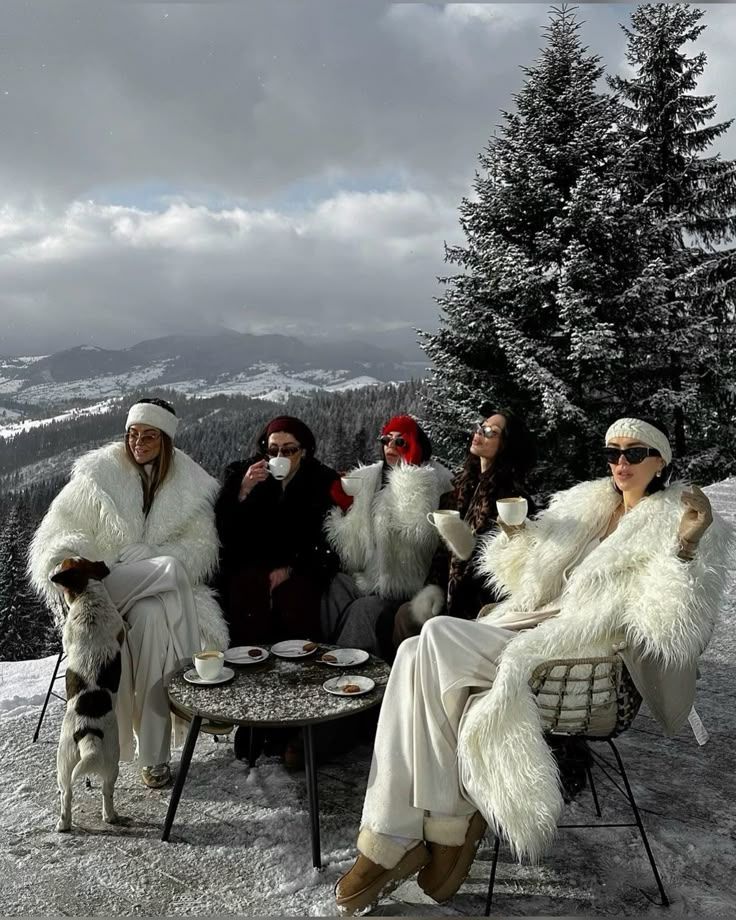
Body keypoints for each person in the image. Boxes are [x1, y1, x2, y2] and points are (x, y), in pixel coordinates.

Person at [334, 416, 733, 916]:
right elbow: (524, 577)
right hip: (532, 621)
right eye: (612, 453)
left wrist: (685, 549)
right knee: (413, 652)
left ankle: (400, 837)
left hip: (586, 647)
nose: (621, 463)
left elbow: (672, 625)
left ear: (661, 462)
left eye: (634, 453)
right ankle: (428, 831)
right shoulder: (587, 504)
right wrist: (515, 538)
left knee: (433, 635)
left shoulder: (680, 518)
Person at [29, 398, 228, 790]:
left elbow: (202, 548)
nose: (138, 442)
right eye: (133, 434)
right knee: (171, 570)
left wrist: (152, 554)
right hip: (102, 588)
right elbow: (59, 531)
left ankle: (153, 758)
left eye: (149, 435)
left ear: (165, 439)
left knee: (153, 616)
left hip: (151, 597)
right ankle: (196, 687)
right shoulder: (99, 474)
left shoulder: (190, 484)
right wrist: (77, 559)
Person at [391, 408, 537, 649]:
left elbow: (507, 566)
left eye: (491, 432)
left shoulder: (513, 500)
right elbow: (441, 555)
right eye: (481, 427)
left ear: (506, 445)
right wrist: (432, 591)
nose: (479, 433)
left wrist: (467, 548)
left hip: (480, 606)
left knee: (410, 622)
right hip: (447, 598)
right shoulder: (459, 490)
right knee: (405, 615)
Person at [321, 414, 454, 658]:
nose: (390, 447)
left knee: (364, 610)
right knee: (334, 587)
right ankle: (324, 652)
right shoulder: (370, 477)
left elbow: (420, 536)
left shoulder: (434, 479)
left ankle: (352, 666)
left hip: (407, 586)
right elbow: (355, 551)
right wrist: (347, 509)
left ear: (416, 445)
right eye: (386, 440)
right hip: (370, 579)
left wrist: (409, 476)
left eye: (400, 442)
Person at [214, 415, 339, 646]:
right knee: (247, 590)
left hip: (300, 564)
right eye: (273, 450)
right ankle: (249, 659)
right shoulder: (245, 473)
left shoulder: (321, 481)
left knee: (295, 598)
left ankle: (299, 661)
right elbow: (225, 529)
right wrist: (243, 490)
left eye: (289, 450)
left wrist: (290, 569)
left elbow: (328, 540)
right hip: (250, 563)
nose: (280, 457)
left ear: (303, 451)